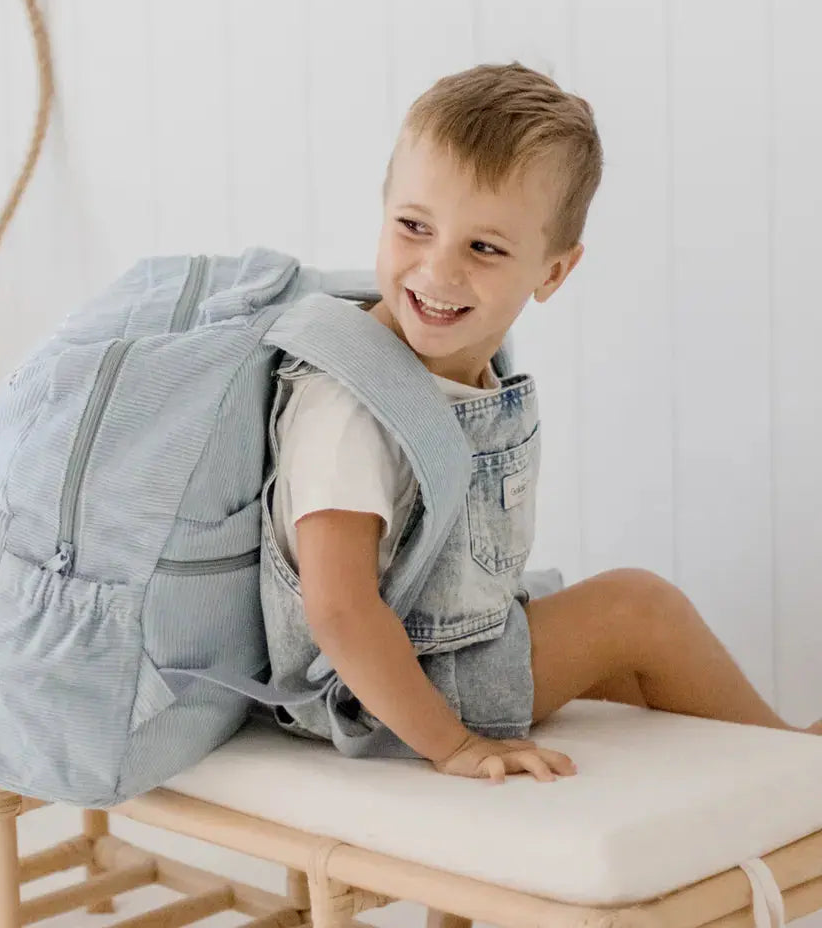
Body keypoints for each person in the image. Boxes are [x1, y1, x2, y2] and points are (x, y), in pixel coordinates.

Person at [259, 62, 821, 785]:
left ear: (552, 273)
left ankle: (754, 774)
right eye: (413, 227)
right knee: (638, 608)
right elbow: (337, 611)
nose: (437, 271)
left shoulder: (462, 364)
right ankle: (794, 771)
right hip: (377, 694)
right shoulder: (350, 407)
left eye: (484, 248)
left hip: (441, 653)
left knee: (634, 665)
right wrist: (454, 744)